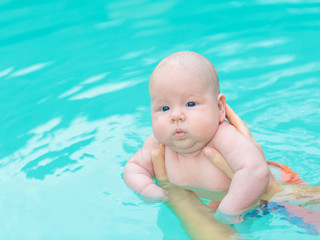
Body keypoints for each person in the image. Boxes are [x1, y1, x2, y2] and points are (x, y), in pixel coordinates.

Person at [123, 51, 271, 224]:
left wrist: (229, 209)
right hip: (214, 205)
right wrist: (147, 188)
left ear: (219, 107)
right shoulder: (159, 145)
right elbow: (133, 168)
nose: (176, 116)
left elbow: (255, 170)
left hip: (261, 199)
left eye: (190, 104)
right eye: (164, 108)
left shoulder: (223, 137)